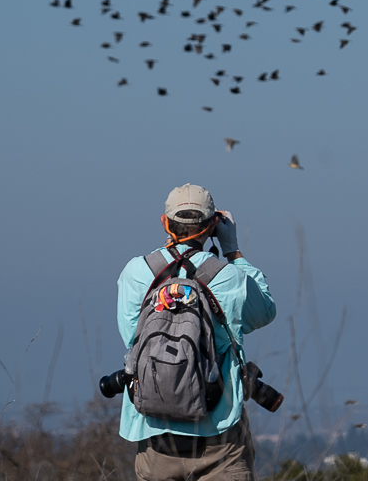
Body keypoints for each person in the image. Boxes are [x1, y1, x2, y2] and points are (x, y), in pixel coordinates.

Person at [117, 183, 277, 481]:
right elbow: (264, 311)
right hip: (220, 431)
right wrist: (233, 251)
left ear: (165, 222)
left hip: (152, 428)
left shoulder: (136, 273)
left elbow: (131, 338)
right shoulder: (228, 276)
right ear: (212, 225)